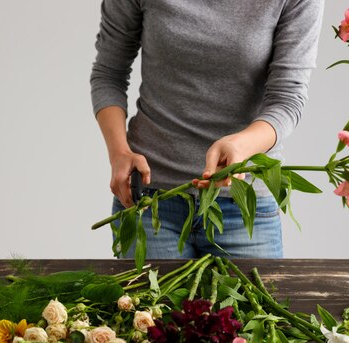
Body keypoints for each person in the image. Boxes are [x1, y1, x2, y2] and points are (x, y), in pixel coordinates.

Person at [91, 0, 324, 259]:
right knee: (146, 301)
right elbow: (108, 73)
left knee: (249, 301)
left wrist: (241, 147)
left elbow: (287, 98)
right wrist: (118, 153)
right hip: (149, 200)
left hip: (242, 203)